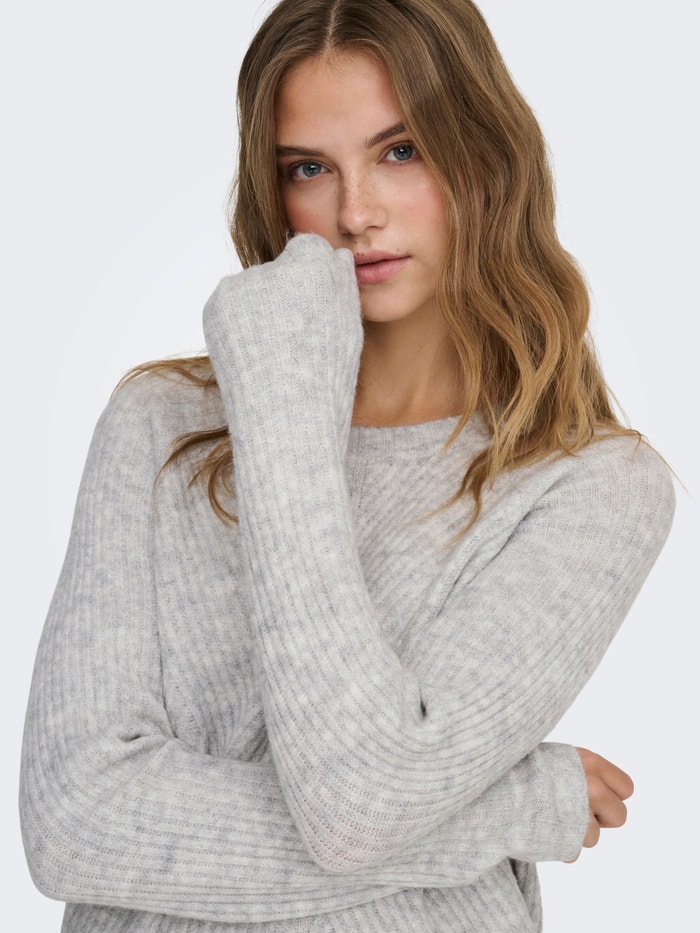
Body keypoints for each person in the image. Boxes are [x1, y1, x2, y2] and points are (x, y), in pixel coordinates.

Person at [19, 0, 674, 930]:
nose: (356, 214)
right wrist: (509, 807)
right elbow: (74, 823)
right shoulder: (161, 425)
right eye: (309, 168)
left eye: (401, 151)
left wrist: (286, 421)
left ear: (485, 157)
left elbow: (356, 806)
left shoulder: (589, 485)